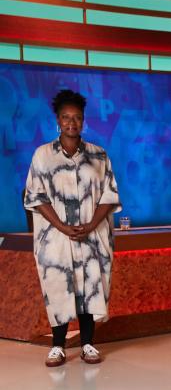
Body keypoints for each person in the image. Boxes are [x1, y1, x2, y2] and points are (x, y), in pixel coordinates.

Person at [24, 89, 122, 367]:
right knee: (59, 287)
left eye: (77, 117)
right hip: (56, 237)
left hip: (92, 236)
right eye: (66, 117)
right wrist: (63, 227)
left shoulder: (98, 155)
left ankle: (88, 343)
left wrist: (91, 224)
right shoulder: (43, 155)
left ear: (83, 121)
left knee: (90, 286)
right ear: (57, 120)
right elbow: (36, 197)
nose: (71, 123)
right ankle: (58, 346)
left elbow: (109, 195)